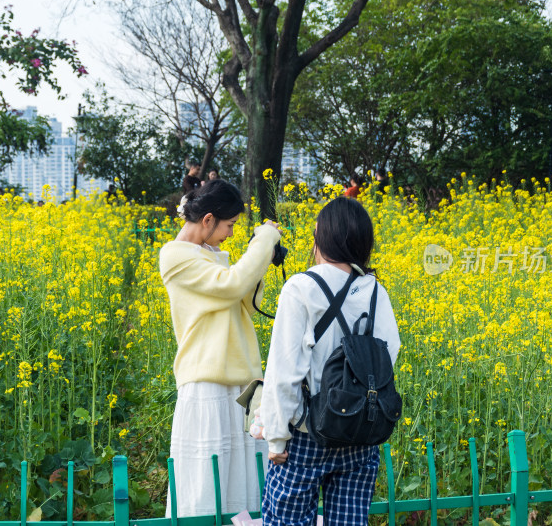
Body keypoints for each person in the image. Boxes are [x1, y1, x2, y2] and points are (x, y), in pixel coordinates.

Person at [259, 197, 401, 526]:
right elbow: (387, 357)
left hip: (306, 434)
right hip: (360, 434)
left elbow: (285, 370)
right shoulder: (377, 291)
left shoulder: (301, 287)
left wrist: (277, 436)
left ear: (320, 236)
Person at [159, 179, 282, 517]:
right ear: (209, 219)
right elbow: (230, 286)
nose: (230, 233)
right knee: (206, 487)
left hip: (242, 384)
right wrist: (264, 240)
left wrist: (261, 257)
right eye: (229, 225)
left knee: (246, 488)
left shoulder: (212, 255)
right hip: (208, 384)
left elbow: (243, 298)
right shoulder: (174, 256)